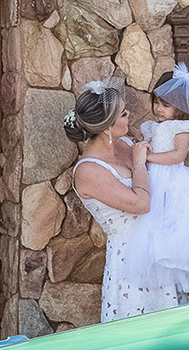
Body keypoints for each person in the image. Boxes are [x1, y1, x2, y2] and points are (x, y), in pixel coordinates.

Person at [123, 63, 189, 310]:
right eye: (156, 101)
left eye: (166, 104)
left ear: (180, 107)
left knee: (187, 239)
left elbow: (178, 156)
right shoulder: (152, 126)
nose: (158, 108)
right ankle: (185, 293)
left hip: (176, 186)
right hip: (156, 185)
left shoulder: (182, 127)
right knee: (167, 240)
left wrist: (147, 158)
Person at [63, 79, 154, 322]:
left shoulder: (124, 143)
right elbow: (141, 204)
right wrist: (138, 163)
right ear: (107, 128)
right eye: (124, 113)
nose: (129, 115)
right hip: (131, 261)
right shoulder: (88, 171)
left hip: (159, 248)